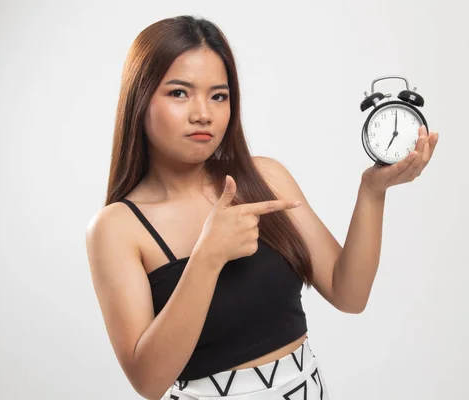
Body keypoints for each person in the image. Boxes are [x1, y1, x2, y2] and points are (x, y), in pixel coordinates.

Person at [85, 15, 438, 400]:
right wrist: (207, 257)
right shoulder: (116, 227)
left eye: (218, 95)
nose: (203, 113)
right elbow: (149, 382)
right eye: (179, 93)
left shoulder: (265, 177)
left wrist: (372, 191)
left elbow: (348, 293)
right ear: (140, 99)